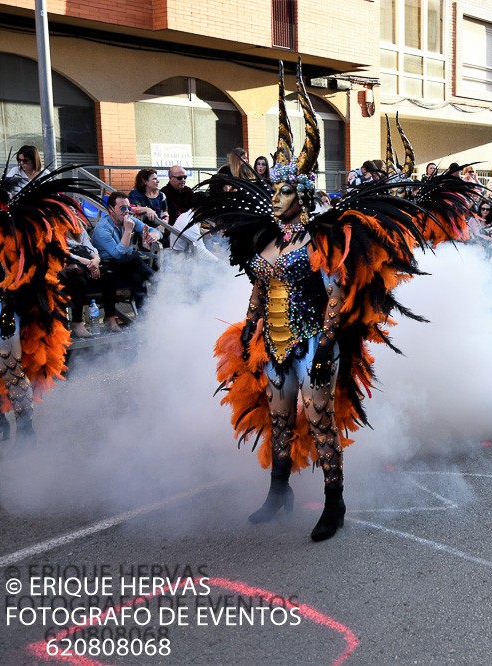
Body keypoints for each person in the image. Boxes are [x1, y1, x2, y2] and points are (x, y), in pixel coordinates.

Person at [193, 61, 473, 542]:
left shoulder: (319, 241)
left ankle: (334, 503)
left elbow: (337, 297)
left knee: (320, 422)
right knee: (279, 420)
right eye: (273, 190)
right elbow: (258, 289)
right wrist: (247, 328)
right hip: (275, 344)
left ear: (300, 195)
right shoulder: (266, 241)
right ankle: (278, 494)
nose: (274, 197)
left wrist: (325, 347)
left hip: (313, 346)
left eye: (282, 191)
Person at [0, 164, 92, 449]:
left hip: (6, 309)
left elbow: (44, 258)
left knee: (9, 366)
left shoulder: (15, 229)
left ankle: (26, 428)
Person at [92, 191, 161, 320]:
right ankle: (158, 280)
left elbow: (153, 230)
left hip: (127, 265)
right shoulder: (102, 229)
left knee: (137, 277)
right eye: (123, 208)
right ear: (111, 209)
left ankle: (144, 320)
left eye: (128, 208)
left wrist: (155, 235)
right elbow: (118, 255)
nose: (127, 211)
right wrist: (128, 231)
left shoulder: (128, 219)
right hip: (108, 266)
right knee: (135, 257)